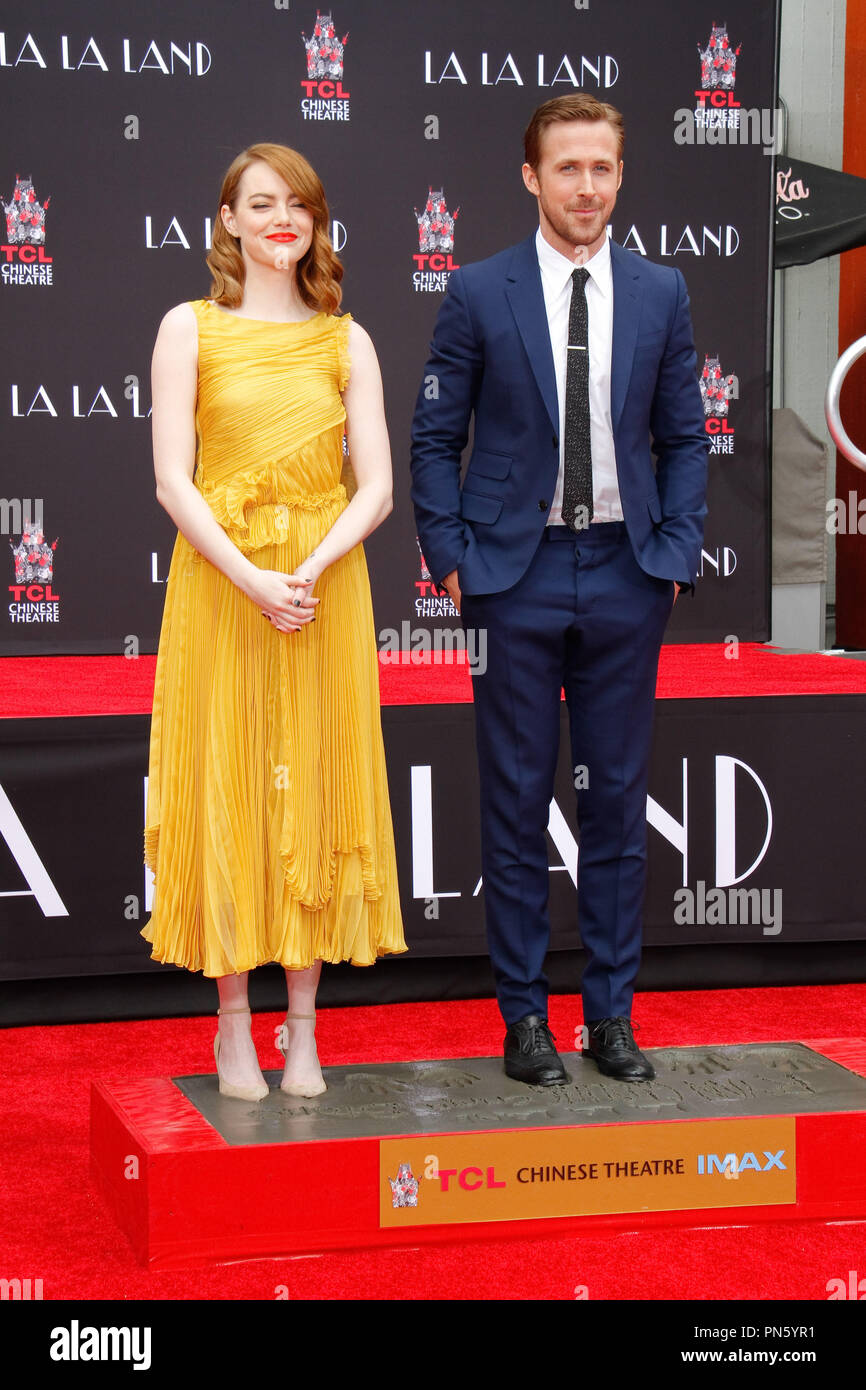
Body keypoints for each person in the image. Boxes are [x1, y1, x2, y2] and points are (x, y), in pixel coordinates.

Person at [410, 95, 708, 1085]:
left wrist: (672, 550)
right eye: (567, 168)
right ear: (530, 177)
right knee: (513, 800)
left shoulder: (659, 290)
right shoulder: (476, 290)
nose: (586, 186)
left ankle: (610, 1019)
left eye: (602, 168)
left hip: (626, 572)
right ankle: (523, 1019)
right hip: (512, 576)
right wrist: (451, 555)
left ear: (620, 176)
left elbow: (680, 438)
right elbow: (432, 438)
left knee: (617, 804)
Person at [142, 143, 406, 1102]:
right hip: (224, 584)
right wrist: (254, 576)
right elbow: (174, 477)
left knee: (316, 791)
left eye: (296, 203)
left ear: (315, 222)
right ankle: (232, 1026)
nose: (280, 218)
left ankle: (304, 1031)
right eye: (261, 203)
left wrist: (311, 568)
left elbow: (374, 485)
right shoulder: (190, 329)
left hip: (323, 590)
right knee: (232, 787)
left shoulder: (348, 340)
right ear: (228, 220)